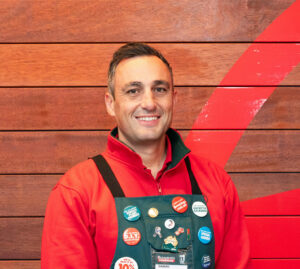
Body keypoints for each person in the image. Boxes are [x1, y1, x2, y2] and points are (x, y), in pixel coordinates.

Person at [41, 43, 251, 269]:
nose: (149, 103)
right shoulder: (77, 191)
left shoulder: (217, 183)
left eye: (159, 89)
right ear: (111, 104)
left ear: (174, 99)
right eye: (133, 91)